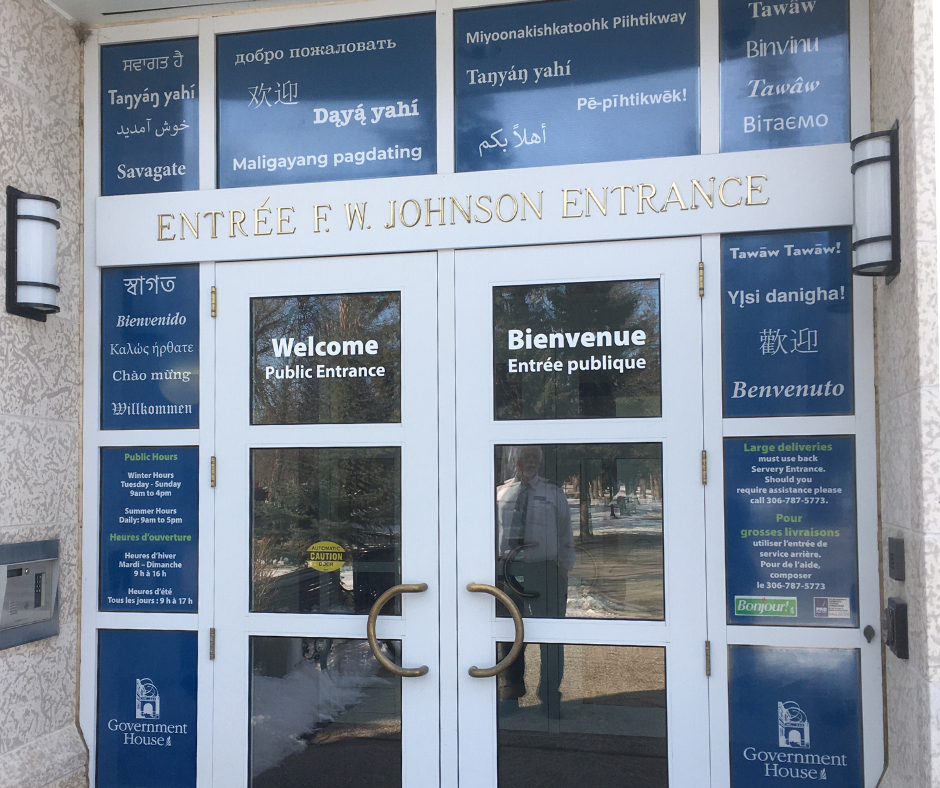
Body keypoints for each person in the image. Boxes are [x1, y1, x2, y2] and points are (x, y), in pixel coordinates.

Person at [495, 445, 575, 712]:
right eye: (524, 457)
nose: (530, 462)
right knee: (510, 635)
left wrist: (564, 569)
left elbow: (565, 534)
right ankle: (511, 693)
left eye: (534, 457)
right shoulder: (500, 494)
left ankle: (551, 696)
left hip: (545, 571)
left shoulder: (553, 493)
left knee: (551, 636)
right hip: (509, 571)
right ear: (515, 461)